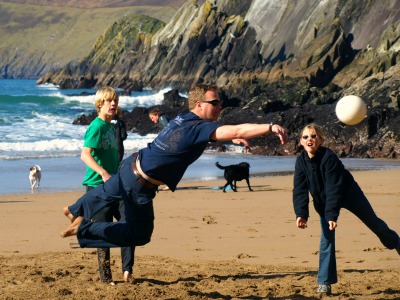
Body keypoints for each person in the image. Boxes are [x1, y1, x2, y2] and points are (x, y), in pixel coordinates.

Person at [60, 84, 288, 268]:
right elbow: (236, 129)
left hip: (131, 165)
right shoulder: (198, 127)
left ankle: (75, 208)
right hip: (141, 183)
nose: (220, 106)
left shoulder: (183, 119)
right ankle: (83, 229)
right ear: (199, 105)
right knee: (139, 234)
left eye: (220, 102)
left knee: (106, 193)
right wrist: (269, 127)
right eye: (215, 102)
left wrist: (230, 139)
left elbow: (194, 133)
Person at [292, 123, 400, 295]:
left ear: (320, 139)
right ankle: (324, 282)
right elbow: (299, 189)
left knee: (374, 223)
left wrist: (332, 216)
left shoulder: (329, 157)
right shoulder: (301, 161)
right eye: (305, 137)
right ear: (301, 141)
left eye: (313, 136)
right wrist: (301, 214)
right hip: (323, 202)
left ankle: (396, 242)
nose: (309, 139)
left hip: (349, 194)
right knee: (327, 238)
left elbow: (333, 189)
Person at [62, 87, 134, 285]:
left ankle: (127, 270)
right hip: (97, 186)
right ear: (100, 104)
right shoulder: (96, 127)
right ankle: (106, 278)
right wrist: (103, 173)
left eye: (115, 101)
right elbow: (85, 154)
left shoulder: (111, 127)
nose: (113, 104)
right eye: (109, 101)